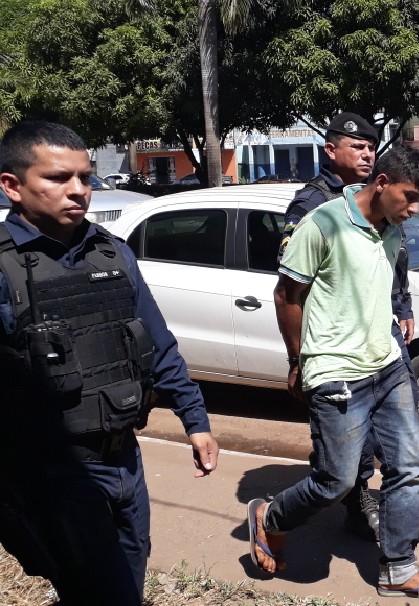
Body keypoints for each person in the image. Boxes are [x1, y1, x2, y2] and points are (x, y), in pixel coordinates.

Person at [0, 120, 220, 604]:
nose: (79, 191)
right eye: (59, 178)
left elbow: (158, 344)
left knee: (129, 574)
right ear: (12, 186)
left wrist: (195, 419)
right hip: (55, 472)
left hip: (125, 460)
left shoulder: (113, 253)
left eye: (85, 177)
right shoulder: (4, 267)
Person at [250, 145, 419, 600]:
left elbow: (382, 286)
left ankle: (398, 567)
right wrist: (297, 361)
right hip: (337, 373)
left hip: (387, 364)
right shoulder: (322, 224)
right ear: (381, 183)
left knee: (406, 468)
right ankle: (271, 516)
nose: (415, 209)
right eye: (410, 197)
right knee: (337, 480)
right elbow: (287, 296)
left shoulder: (392, 228)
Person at [277, 112, 419, 542]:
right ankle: (353, 503)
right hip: (337, 343)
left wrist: (402, 303)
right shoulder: (313, 206)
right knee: (346, 445)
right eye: (357, 146)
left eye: (371, 147)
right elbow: (293, 285)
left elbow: (393, 258)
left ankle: (384, 530)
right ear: (330, 150)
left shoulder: (379, 195)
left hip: (379, 333)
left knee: (396, 442)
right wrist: (298, 358)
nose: (366, 153)